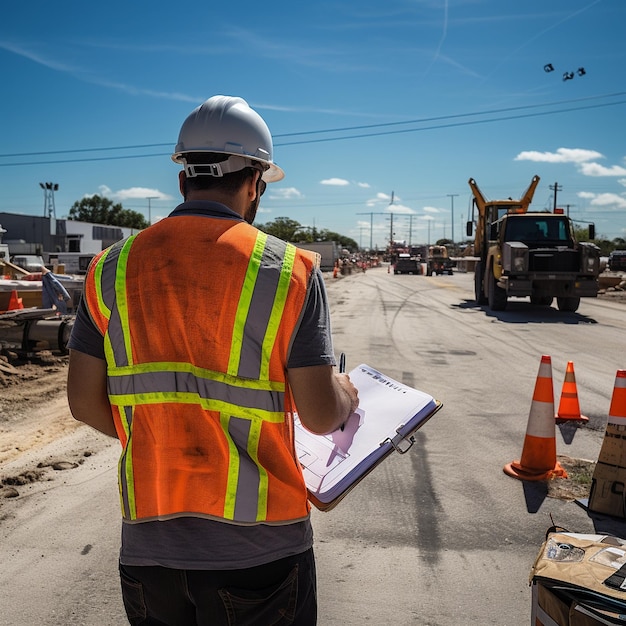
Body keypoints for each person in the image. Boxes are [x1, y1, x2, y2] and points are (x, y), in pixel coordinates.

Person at [66, 95, 359, 626]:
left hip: (148, 550)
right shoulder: (289, 270)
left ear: (182, 180)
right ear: (255, 183)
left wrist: (161, 431)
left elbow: (85, 403)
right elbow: (320, 414)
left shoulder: (109, 269)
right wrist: (345, 392)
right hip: (259, 556)